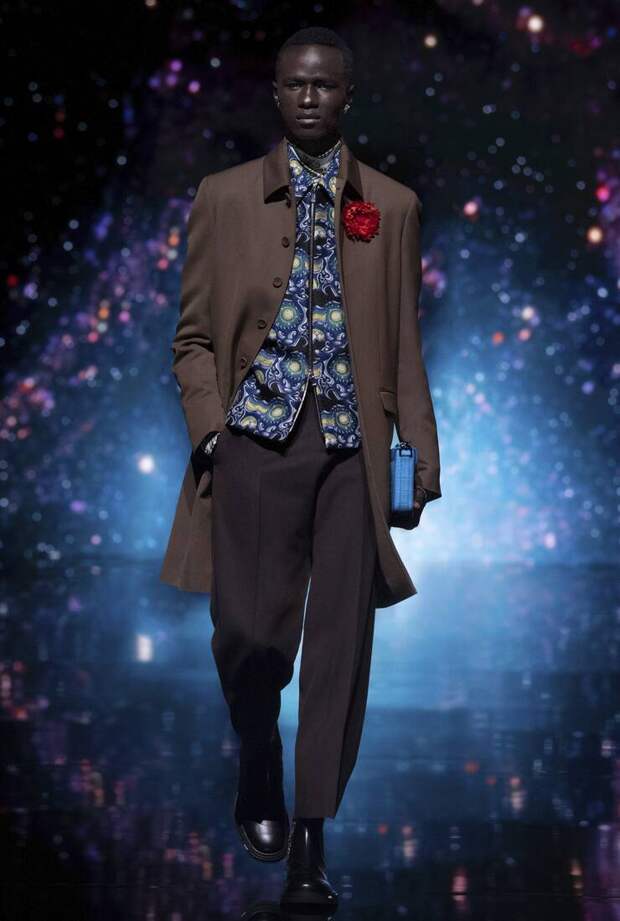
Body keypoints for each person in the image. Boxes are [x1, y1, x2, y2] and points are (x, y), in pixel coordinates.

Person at [160, 25, 442, 909]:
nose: (310, 97)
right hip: (253, 441)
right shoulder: (224, 197)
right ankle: (258, 754)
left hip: (353, 453)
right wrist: (212, 431)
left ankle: (312, 842)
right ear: (277, 94)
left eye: (325, 85)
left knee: (339, 652)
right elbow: (193, 337)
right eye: (295, 84)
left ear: (348, 96)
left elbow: (404, 345)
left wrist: (416, 460)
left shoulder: (392, 205)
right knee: (248, 635)